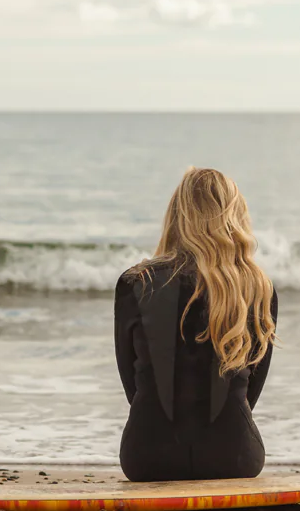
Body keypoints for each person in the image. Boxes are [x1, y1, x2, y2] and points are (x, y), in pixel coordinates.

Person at [114, 167, 278, 482]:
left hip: (147, 456)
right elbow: (250, 392)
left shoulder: (136, 282)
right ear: (235, 216)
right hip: (235, 456)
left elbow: (133, 385)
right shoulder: (257, 287)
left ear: (176, 216)